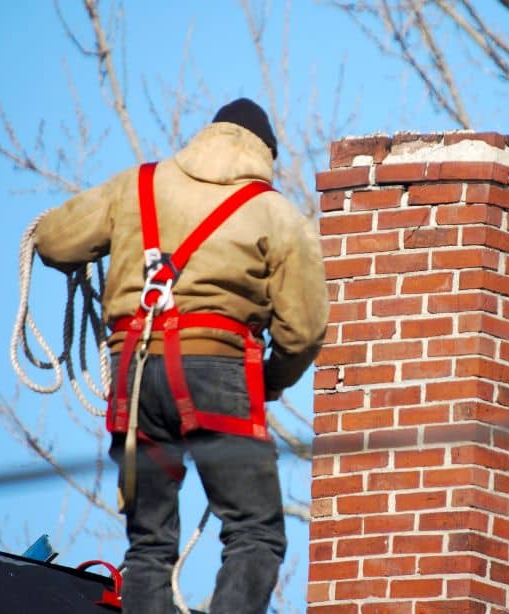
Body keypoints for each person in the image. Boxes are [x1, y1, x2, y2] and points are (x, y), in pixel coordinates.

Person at [33, 98, 329, 614]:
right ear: (265, 155)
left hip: (135, 373)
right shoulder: (275, 212)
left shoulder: (136, 186)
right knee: (254, 532)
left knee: (148, 544)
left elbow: (54, 241)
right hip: (217, 372)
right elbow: (303, 331)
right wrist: (272, 378)